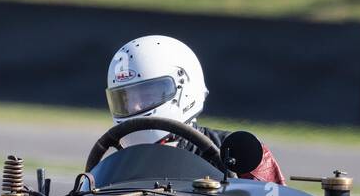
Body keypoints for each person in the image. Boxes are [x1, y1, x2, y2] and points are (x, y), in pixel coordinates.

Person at [105, 35, 285, 184]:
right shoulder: (116, 168)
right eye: (126, 99)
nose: (135, 106)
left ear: (183, 86)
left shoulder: (240, 153)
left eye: (145, 96)